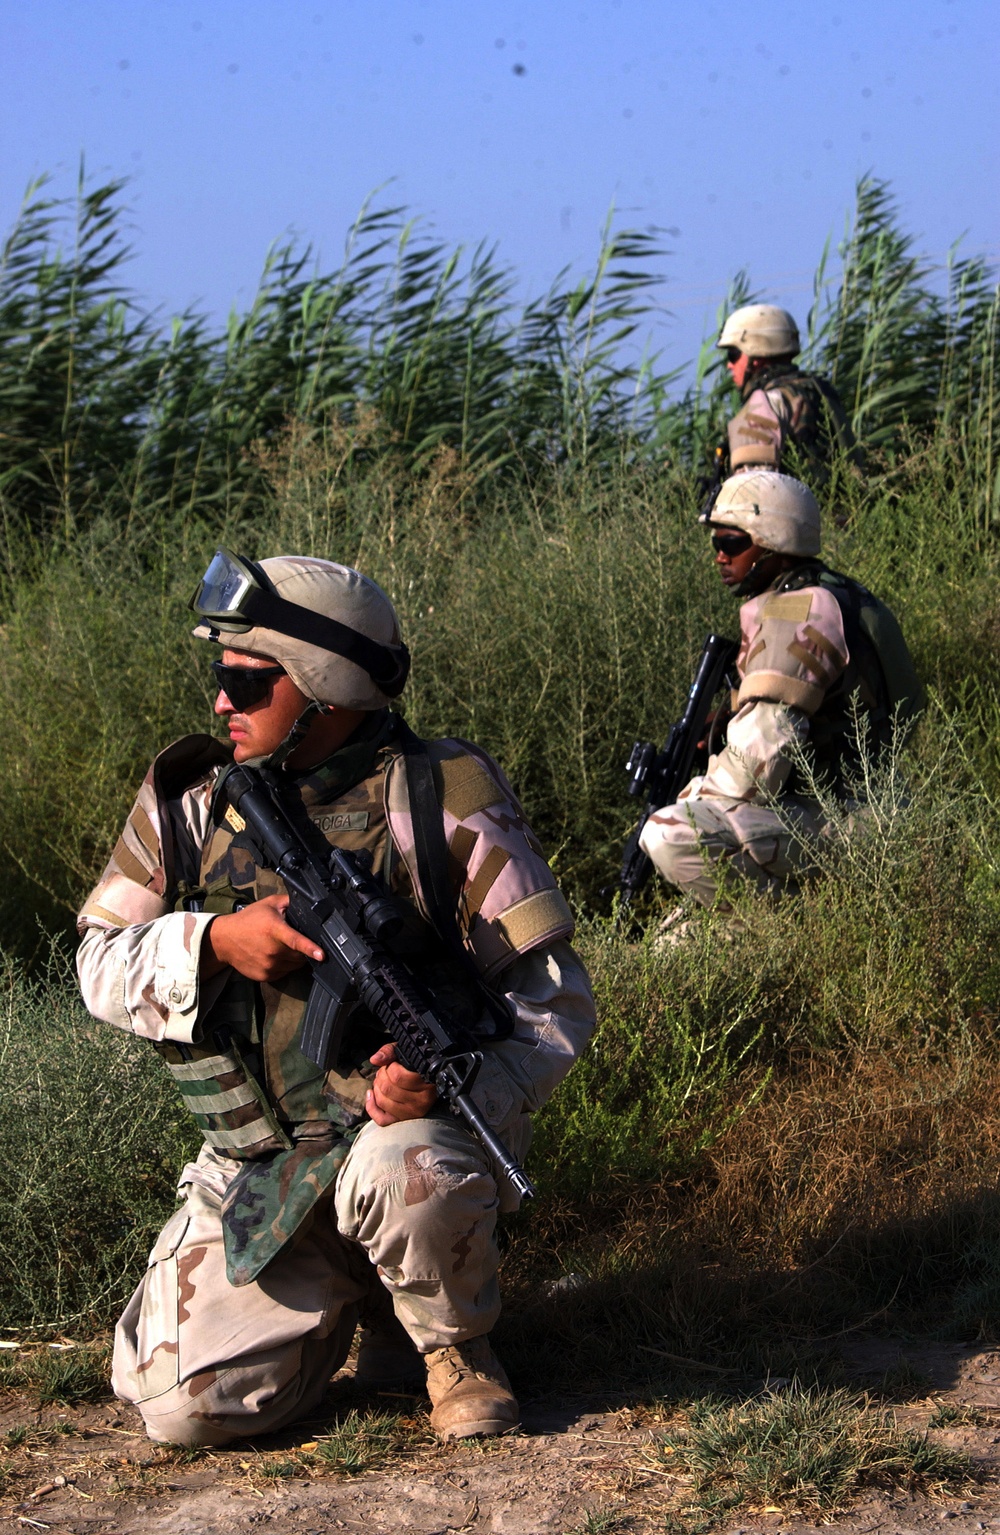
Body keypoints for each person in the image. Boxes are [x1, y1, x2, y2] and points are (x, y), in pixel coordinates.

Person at [76, 550, 595, 1448]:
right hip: (264, 1167)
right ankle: (351, 1300)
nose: (220, 703)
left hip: (400, 1148)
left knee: (406, 1168)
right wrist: (212, 944)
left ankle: (451, 1344)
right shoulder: (190, 806)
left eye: (244, 680)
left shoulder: (437, 792)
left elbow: (555, 1003)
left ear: (322, 685)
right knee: (181, 1409)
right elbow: (96, 964)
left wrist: (449, 1083)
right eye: (220, 677)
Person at [639, 471, 923, 908]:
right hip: (874, 808)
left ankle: (797, 925)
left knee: (669, 831)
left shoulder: (797, 609)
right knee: (673, 946)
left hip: (849, 820)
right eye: (717, 543)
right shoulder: (841, 593)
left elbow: (756, 769)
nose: (719, 556)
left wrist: (693, 793)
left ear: (771, 539)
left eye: (732, 542)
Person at [710, 304, 860, 493]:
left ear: (756, 354)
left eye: (733, 355)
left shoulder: (765, 404)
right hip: (846, 515)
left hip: (797, 518)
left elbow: (752, 495)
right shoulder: (820, 391)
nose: (729, 365)